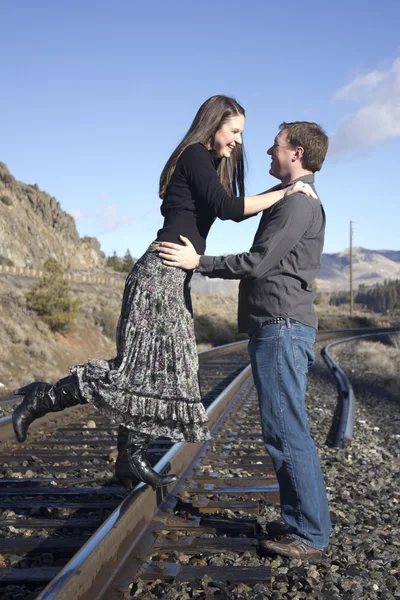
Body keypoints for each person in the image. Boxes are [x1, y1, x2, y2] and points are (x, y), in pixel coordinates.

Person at [12, 99, 316, 492]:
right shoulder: (194, 154)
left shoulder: (206, 163)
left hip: (173, 277)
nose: (239, 142)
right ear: (213, 126)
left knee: (158, 368)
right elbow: (228, 208)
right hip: (158, 274)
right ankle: (42, 398)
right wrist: (288, 191)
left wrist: (284, 191)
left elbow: (227, 203)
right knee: (138, 368)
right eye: (235, 131)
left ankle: (129, 458)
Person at [158, 121, 331, 561]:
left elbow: (256, 262)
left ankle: (309, 535)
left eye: (276, 148)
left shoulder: (297, 207)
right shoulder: (292, 200)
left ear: (295, 153)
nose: (268, 154)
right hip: (277, 325)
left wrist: (200, 262)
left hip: (281, 326)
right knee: (285, 429)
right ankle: (303, 523)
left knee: (286, 432)